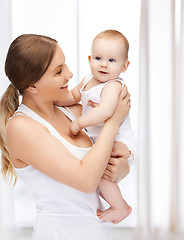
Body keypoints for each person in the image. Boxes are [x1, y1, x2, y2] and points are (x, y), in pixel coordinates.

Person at [0, 34, 131, 240]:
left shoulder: (73, 110)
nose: (70, 74)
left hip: (99, 232)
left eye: (65, 65)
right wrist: (113, 122)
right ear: (33, 86)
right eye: (59, 71)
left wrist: (125, 165)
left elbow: (107, 153)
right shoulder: (21, 127)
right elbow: (86, 180)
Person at [56, 29, 136, 223]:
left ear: (124, 66)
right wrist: (56, 100)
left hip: (119, 140)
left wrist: (79, 123)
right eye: (98, 58)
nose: (103, 64)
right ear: (90, 58)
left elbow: (105, 112)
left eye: (111, 60)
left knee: (100, 173)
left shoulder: (113, 86)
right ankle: (117, 204)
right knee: (98, 172)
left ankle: (120, 207)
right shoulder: (87, 81)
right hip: (103, 139)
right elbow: (74, 95)